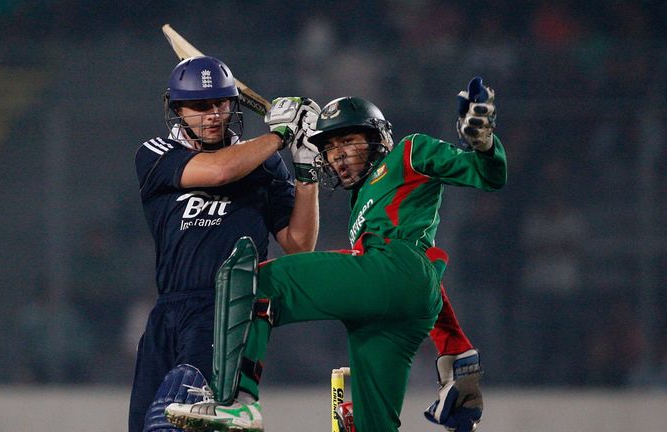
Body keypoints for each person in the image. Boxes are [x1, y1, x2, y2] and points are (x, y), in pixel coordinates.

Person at [165, 78, 506, 432]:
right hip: (402, 307)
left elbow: (488, 176)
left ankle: (237, 402)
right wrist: (455, 346)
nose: (337, 155)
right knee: (371, 427)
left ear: (378, 137)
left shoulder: (408, 152)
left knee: (258, 280)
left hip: (395, 270)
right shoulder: (361, 202)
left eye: (347, 141)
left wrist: (484, 145)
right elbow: (418, 284)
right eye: (328, 148)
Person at [129, 55, 322, 432]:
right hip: (166, 314)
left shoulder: (266, 165)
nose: (214, 114)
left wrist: (306, 170)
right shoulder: (155, 154)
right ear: (176, 109)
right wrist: (281, 136)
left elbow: (299, 244)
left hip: (227, 312)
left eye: (221, 103)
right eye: (200, 106)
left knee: (177, 421)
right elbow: (219, 170)